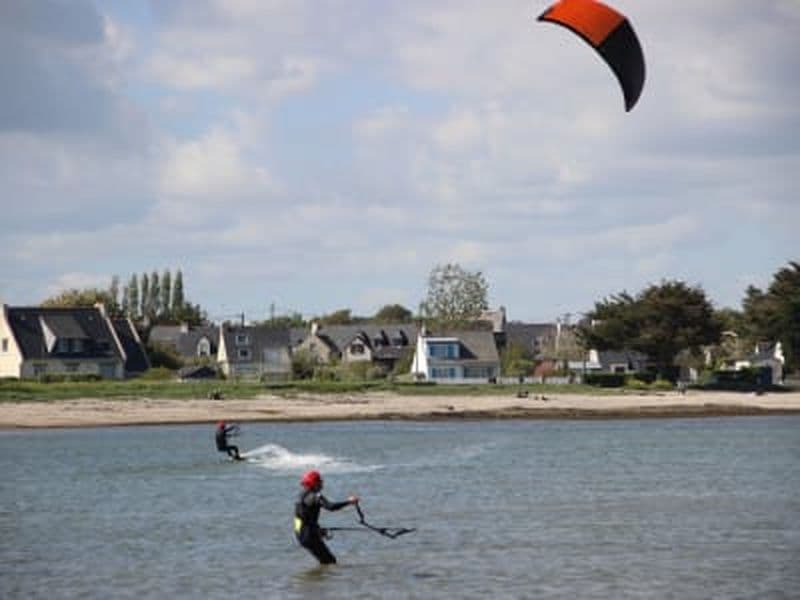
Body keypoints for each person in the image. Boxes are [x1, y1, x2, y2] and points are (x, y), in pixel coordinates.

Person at [294, 470, 359, 564]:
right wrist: (349, 502)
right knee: (330, 562)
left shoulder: (301, 496)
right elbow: (331, 507)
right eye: (319, 481)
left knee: (326, 561)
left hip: (301, 534)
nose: (321, 483)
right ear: (314, 483)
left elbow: (303, 518)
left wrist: (317, 530)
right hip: (308, 535)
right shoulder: (315, 496)